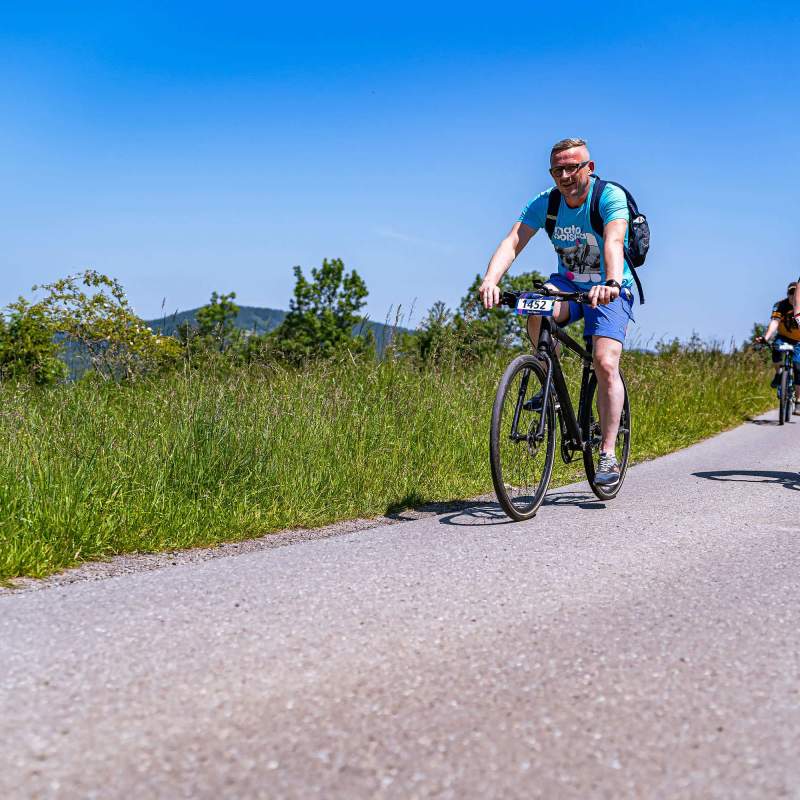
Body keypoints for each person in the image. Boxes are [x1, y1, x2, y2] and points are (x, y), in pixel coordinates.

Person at [479, 137, 635, 487]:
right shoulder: (546, 203)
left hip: (609, 290)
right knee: (534, 304)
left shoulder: (608, 198)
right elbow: (514, 240)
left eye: (572, 167)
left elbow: (612, 240)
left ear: (589, 168)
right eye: (557, 169)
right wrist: (491, 279)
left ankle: (607, 454)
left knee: (605, 362)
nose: (564, 175)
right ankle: (547, 377)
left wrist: (610, 281)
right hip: (566, 285)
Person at [755, 281, 800, 409]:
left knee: (798, 368)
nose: (792, 295)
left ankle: (798, 400)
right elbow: (775, 322)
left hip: (799, 341)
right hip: (783, 337)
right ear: (787, 294)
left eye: (795, 293)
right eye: (790, 293)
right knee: (775, 347)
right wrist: (766, 337)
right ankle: (779, 373)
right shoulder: (780, 305)